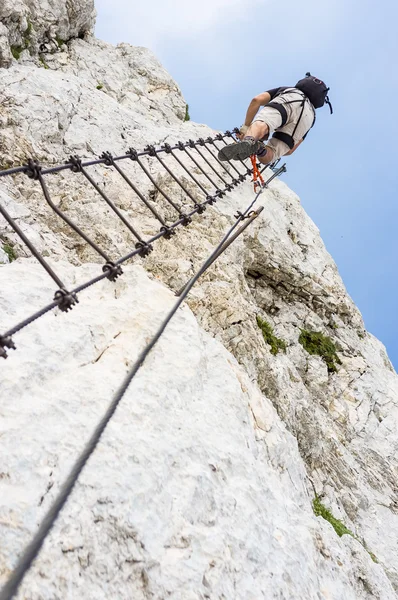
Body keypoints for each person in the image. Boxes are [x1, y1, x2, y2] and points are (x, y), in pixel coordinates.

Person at [218, 73, 333, 165]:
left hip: (290, 100)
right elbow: (290, 150)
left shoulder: (288, 90)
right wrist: (276, 150)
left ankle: (249, 140)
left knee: (264, 122)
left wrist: (246, 128)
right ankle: (259, 149)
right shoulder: (312, 118)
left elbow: (256, 100)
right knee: (272, 153)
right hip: (305, 119)